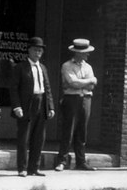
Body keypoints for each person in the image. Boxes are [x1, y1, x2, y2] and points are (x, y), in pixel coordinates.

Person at [9, 36, 55, 177]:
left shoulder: (43, 68)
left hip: (41, 103)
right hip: (26, 105)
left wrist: (51, 107)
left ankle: (34, 168)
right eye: (35, 50)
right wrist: (17, 107)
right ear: (29, 50)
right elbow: (13, 89)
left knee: (39, 137)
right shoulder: (20, 67)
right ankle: (22, 168)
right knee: (24, 137)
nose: (37, 53)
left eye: (40, 50)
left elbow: (47, 88)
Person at [54, 38, 97, 172]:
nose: (87, 55)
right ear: (78, 53)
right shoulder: (67, 66)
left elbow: (92, 86)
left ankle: (81, 161)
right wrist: (89, 81)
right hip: (71, 99)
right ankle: (62, 161)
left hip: (86, 99)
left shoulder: (88, 67)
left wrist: (82, 82)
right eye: (85, 52)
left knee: (82, 131)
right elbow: (73, 83)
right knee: (68, 130)